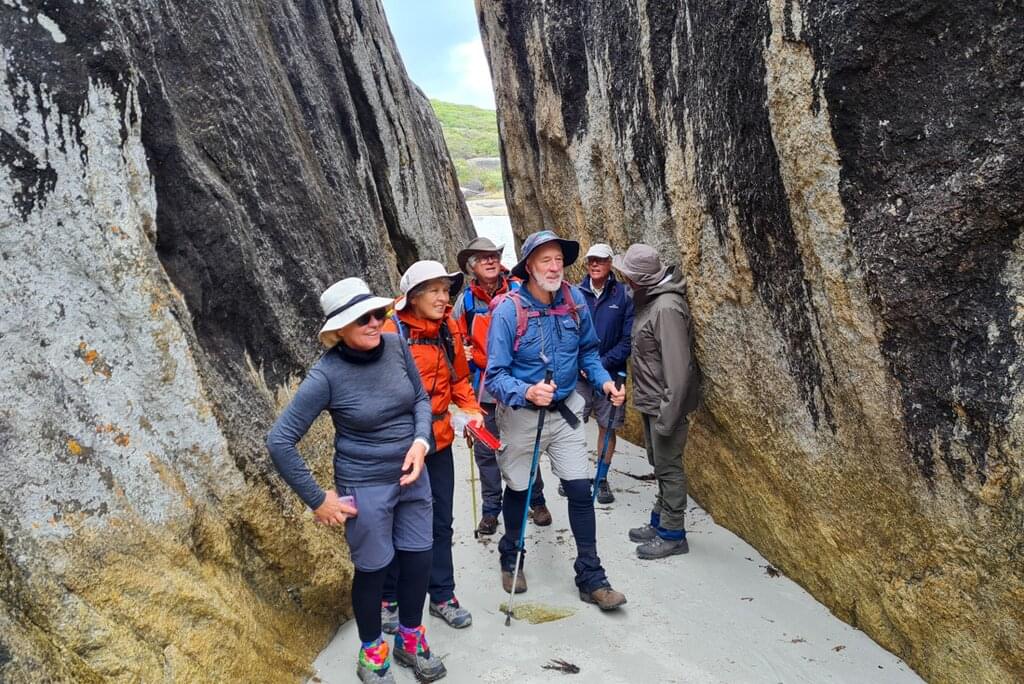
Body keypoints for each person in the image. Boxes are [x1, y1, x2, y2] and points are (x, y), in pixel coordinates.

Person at [266, 278, 446, 683]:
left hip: (412, 476)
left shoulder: (396, 345)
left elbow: (420, 399)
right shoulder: (326, 375)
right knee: (374, 569)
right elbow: (279, 441)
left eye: (377, 313)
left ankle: (410, 639)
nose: (374, 322)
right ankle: (372, 653)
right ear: (339, 330)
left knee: (419, 560)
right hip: (365, 485)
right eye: (362, 318)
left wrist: (421, 443)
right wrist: (318, 500)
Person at [485, 230, 628, 610]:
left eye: (559, 260)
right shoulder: (508, 311)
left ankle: (591, 576)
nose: (554, 267)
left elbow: (589, 353)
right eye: (545, 260)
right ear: (529, 267)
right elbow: (494, 376)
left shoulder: (575, 301)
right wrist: (527, 391)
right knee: (519, 490)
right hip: (521, 416)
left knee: (580, 490)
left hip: (565, 412)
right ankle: (511, 556)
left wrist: (605, 382)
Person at [379, 261, 483, 632]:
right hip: (398, 444)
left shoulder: (448, 328)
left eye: (445, 290)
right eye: (434, 291)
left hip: (438, 441)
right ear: (413, 296)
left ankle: (441, 595)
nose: (443, 298)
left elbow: (459, 380)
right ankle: (389, 598)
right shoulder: (390, 331)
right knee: (394, 520)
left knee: (441, 521)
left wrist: (470, 410)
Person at [452, 236, 552, 535]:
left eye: (494, 255)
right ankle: (491, 510)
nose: (490, 260)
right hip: (483, 388)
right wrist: (461, 351)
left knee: (525, 444)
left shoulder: (521, 289)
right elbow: (453, 338)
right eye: (483, 257)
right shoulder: (465, 302)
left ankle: (536, 501)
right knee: (486, 452)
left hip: (519, 384)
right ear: (472, 266)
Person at [612, 244, 701, 559]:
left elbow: (678, 370)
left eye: (628, 275)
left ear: (641, 279)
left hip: (665, 405)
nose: (624, 279)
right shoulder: (650, 302)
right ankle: (660, 520)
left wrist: (668, 416)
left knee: (669, 468)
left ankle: (673, 534)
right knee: (659, 465)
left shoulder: (666, 308)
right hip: (652, 402)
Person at [574, 243, 634, 504]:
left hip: (611, 372)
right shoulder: (575, 294)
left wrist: (599, 363)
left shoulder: (624, 296)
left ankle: (601, 478)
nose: (595, 265)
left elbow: (627, 339)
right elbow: (567, 334)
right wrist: (582, 364)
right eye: (591, 260)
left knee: (607, 427)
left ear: (610, 263)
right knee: (572, 425)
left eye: (600, 260)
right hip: (578, 374)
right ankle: (573, 476)